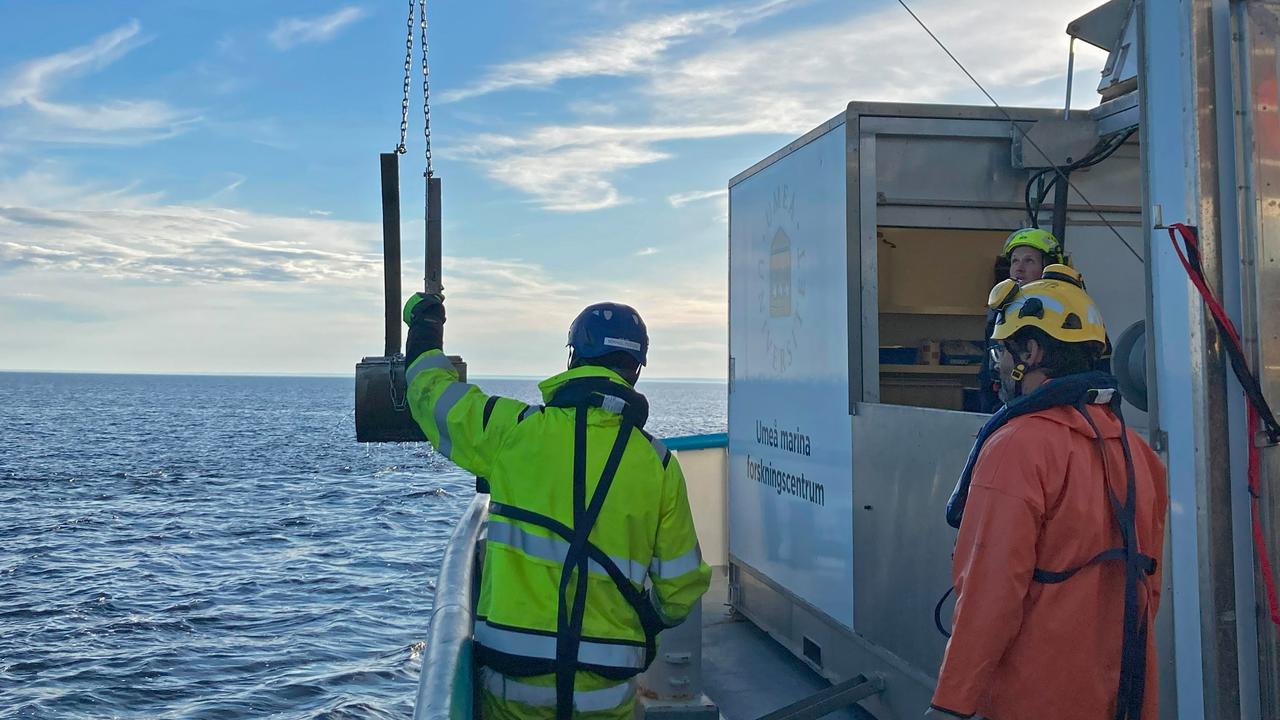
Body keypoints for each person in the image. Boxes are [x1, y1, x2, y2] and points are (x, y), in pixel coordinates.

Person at [401, 292, 711, 720]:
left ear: (572, 360)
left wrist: (424, 330)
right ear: (635, 371)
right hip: (607, 697)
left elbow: (431, 397)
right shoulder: (657, 465)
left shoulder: (513, 433)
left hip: (513, 691)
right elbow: (681, 593)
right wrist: (640, 624)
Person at [932, 267, 1168, 720]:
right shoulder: (1135, 450)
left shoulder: (1016, 446)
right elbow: (1148, 589)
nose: (996, 365)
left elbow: (990, 592)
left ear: (1033, 351)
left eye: (1002, 350)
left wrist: (952, 701)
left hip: (1034, 696)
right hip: (1122, 693)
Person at [975, 227, 1065, 412]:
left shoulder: (1067, 311)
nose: (1019, 267)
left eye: (1029, 261)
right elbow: (988, 371)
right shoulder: (999, 311)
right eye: (1015, 260)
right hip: (1003, 408)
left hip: (1052, 409)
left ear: (1047, 267)